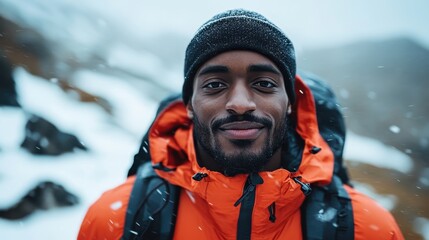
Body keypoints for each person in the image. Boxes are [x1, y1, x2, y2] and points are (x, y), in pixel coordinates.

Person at [78, 9, 404, 240]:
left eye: (263, 83)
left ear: (291, 103)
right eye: (214, 85)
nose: (240, 104)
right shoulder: (115, 220)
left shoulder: (368, 228)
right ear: (189, 106)